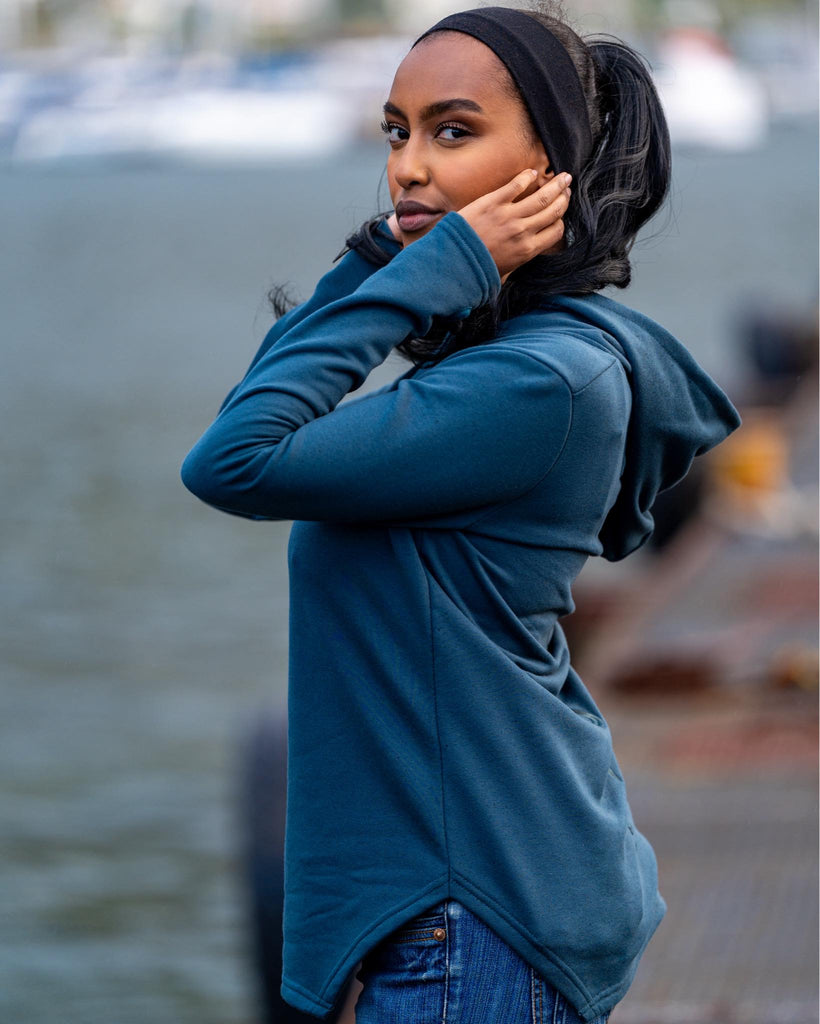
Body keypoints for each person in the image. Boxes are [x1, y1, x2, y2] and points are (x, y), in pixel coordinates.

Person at [181, 5, 741, 1022]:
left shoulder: (536, 381)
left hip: (477, 906)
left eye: (452, 130)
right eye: (396, 132)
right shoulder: (517, 362)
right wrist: (380, 262)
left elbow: (233, 460)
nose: (406, 165)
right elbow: (254, 418)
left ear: (549, 167)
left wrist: (420, 271)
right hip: (476, 880)